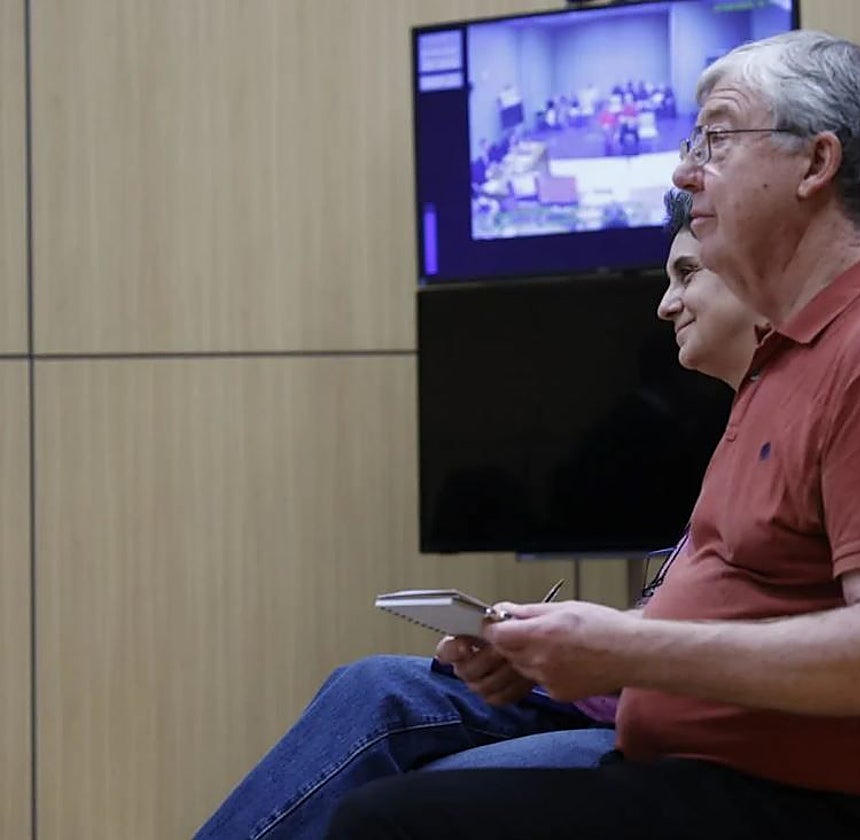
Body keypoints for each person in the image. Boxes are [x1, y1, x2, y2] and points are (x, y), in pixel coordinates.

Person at [326, 29, 860, 840]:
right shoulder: (797, 353)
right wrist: (564, 647)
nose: (684, 172)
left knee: (387, 824)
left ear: (816, 163)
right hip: (726, 781)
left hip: (815, 810)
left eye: (717, 140)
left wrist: (625, 650)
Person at [193, 189, 763, 840]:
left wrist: (593, 646)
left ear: (755, 266)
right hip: (633, 694)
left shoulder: (810, 409)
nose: (664, 304)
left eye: (686, 274)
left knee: (391, 782)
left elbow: (757, 635)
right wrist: (542, 648)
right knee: (371, 686)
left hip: (682, 727)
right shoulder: (743, 423)